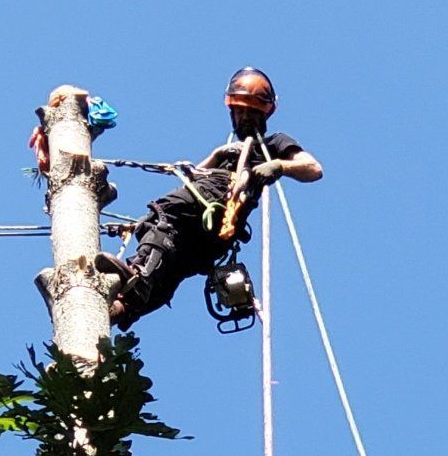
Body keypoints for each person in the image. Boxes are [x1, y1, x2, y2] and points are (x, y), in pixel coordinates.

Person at [107, 67, 323, 329]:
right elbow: (196, 181)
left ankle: (137, 280)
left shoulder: (273, 143)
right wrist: (216, 155)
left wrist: (277, 166)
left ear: (263, 113)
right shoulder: (227, 151)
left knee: (163, 215)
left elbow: (313, 168)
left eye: (249, 112)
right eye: (239, 111)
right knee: (173, 263)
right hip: (206, 237)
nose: (243, 117)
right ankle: (122, 309)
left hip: (221, 206)